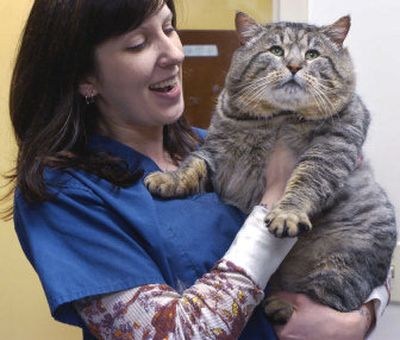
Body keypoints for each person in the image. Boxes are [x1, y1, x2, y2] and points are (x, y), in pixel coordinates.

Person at [5, 0, 389, 339]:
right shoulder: (64, 195)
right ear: (84, 77)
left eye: (169, 28)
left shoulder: (209, 146)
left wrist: (360, 318)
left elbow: (363, 237)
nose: (174, 53)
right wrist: (273, 201)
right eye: (138, 44)